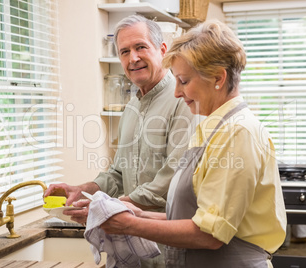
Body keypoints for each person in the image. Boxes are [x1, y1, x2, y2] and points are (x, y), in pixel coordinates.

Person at [99, 20, 287, 267]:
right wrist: (139, 214)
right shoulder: (210, 129)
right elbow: (198, 216)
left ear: (218, 78)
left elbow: (210, 234)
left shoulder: (238, 133)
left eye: (184, 81)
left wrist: (130, 225)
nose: (176, 92)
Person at [44, 15, 194, 267]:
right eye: (124, 51)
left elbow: (173, 178)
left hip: (168, 246)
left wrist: (106, 207)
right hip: (131, 246)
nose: (132, 58)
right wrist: (83, 190)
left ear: (162, 50)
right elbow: (117, 174)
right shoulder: (132, 106)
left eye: (140, 47)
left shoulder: (183, 100)